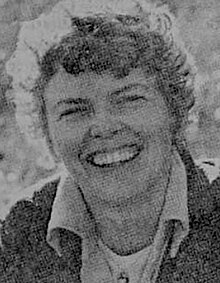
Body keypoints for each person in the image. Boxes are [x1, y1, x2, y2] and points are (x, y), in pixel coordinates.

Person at [1, 0, 220, 282]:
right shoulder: (18, 234)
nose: (103, 127)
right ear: (46, 131)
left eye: (129, 99)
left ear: (175, 110)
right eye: (74, 110)